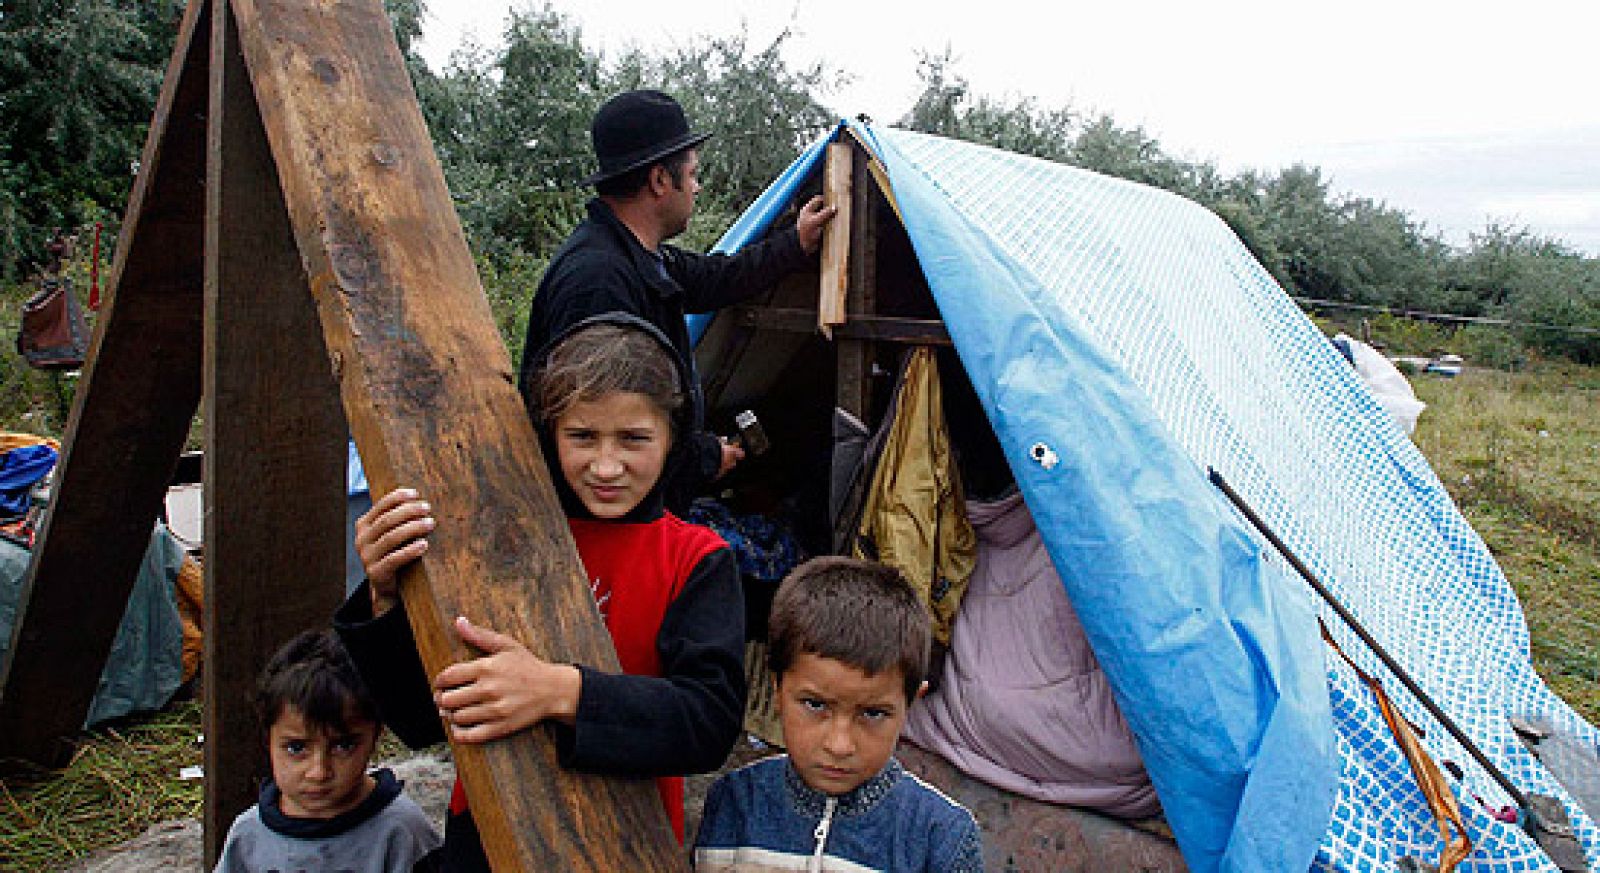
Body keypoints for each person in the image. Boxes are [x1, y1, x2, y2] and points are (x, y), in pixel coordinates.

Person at [337, 315, 746, 871]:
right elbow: (420, 720)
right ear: (549, 433)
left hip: (625, 844)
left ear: (673, 437)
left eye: (633, 439)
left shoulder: (695, 559)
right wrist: (386, 597)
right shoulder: (497, 541)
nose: (606, 465)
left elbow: (709, 721)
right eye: (582, 436)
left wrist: (560, 692)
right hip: (483, 837)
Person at [517, 89, 835, 508]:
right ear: (660, 180)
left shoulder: (639, 255)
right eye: (694, 174)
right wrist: (704, 458)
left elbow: (714, 279)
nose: (698, 188)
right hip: (607, 522)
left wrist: (794, 243)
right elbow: (606, 428)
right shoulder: (598, 281)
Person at [693, 557, 985, 872]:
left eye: (872, 713)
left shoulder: (940, 836)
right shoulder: (735, 801)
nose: (839, 745)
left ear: (911, 703)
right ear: (776, 689)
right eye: (815, 705)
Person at [213, 629, 442, 873]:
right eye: (296, 748)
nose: (319, 772)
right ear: (268, 738)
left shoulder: (401, 832)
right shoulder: (248, 836)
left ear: (375, 737)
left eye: (343, 746)